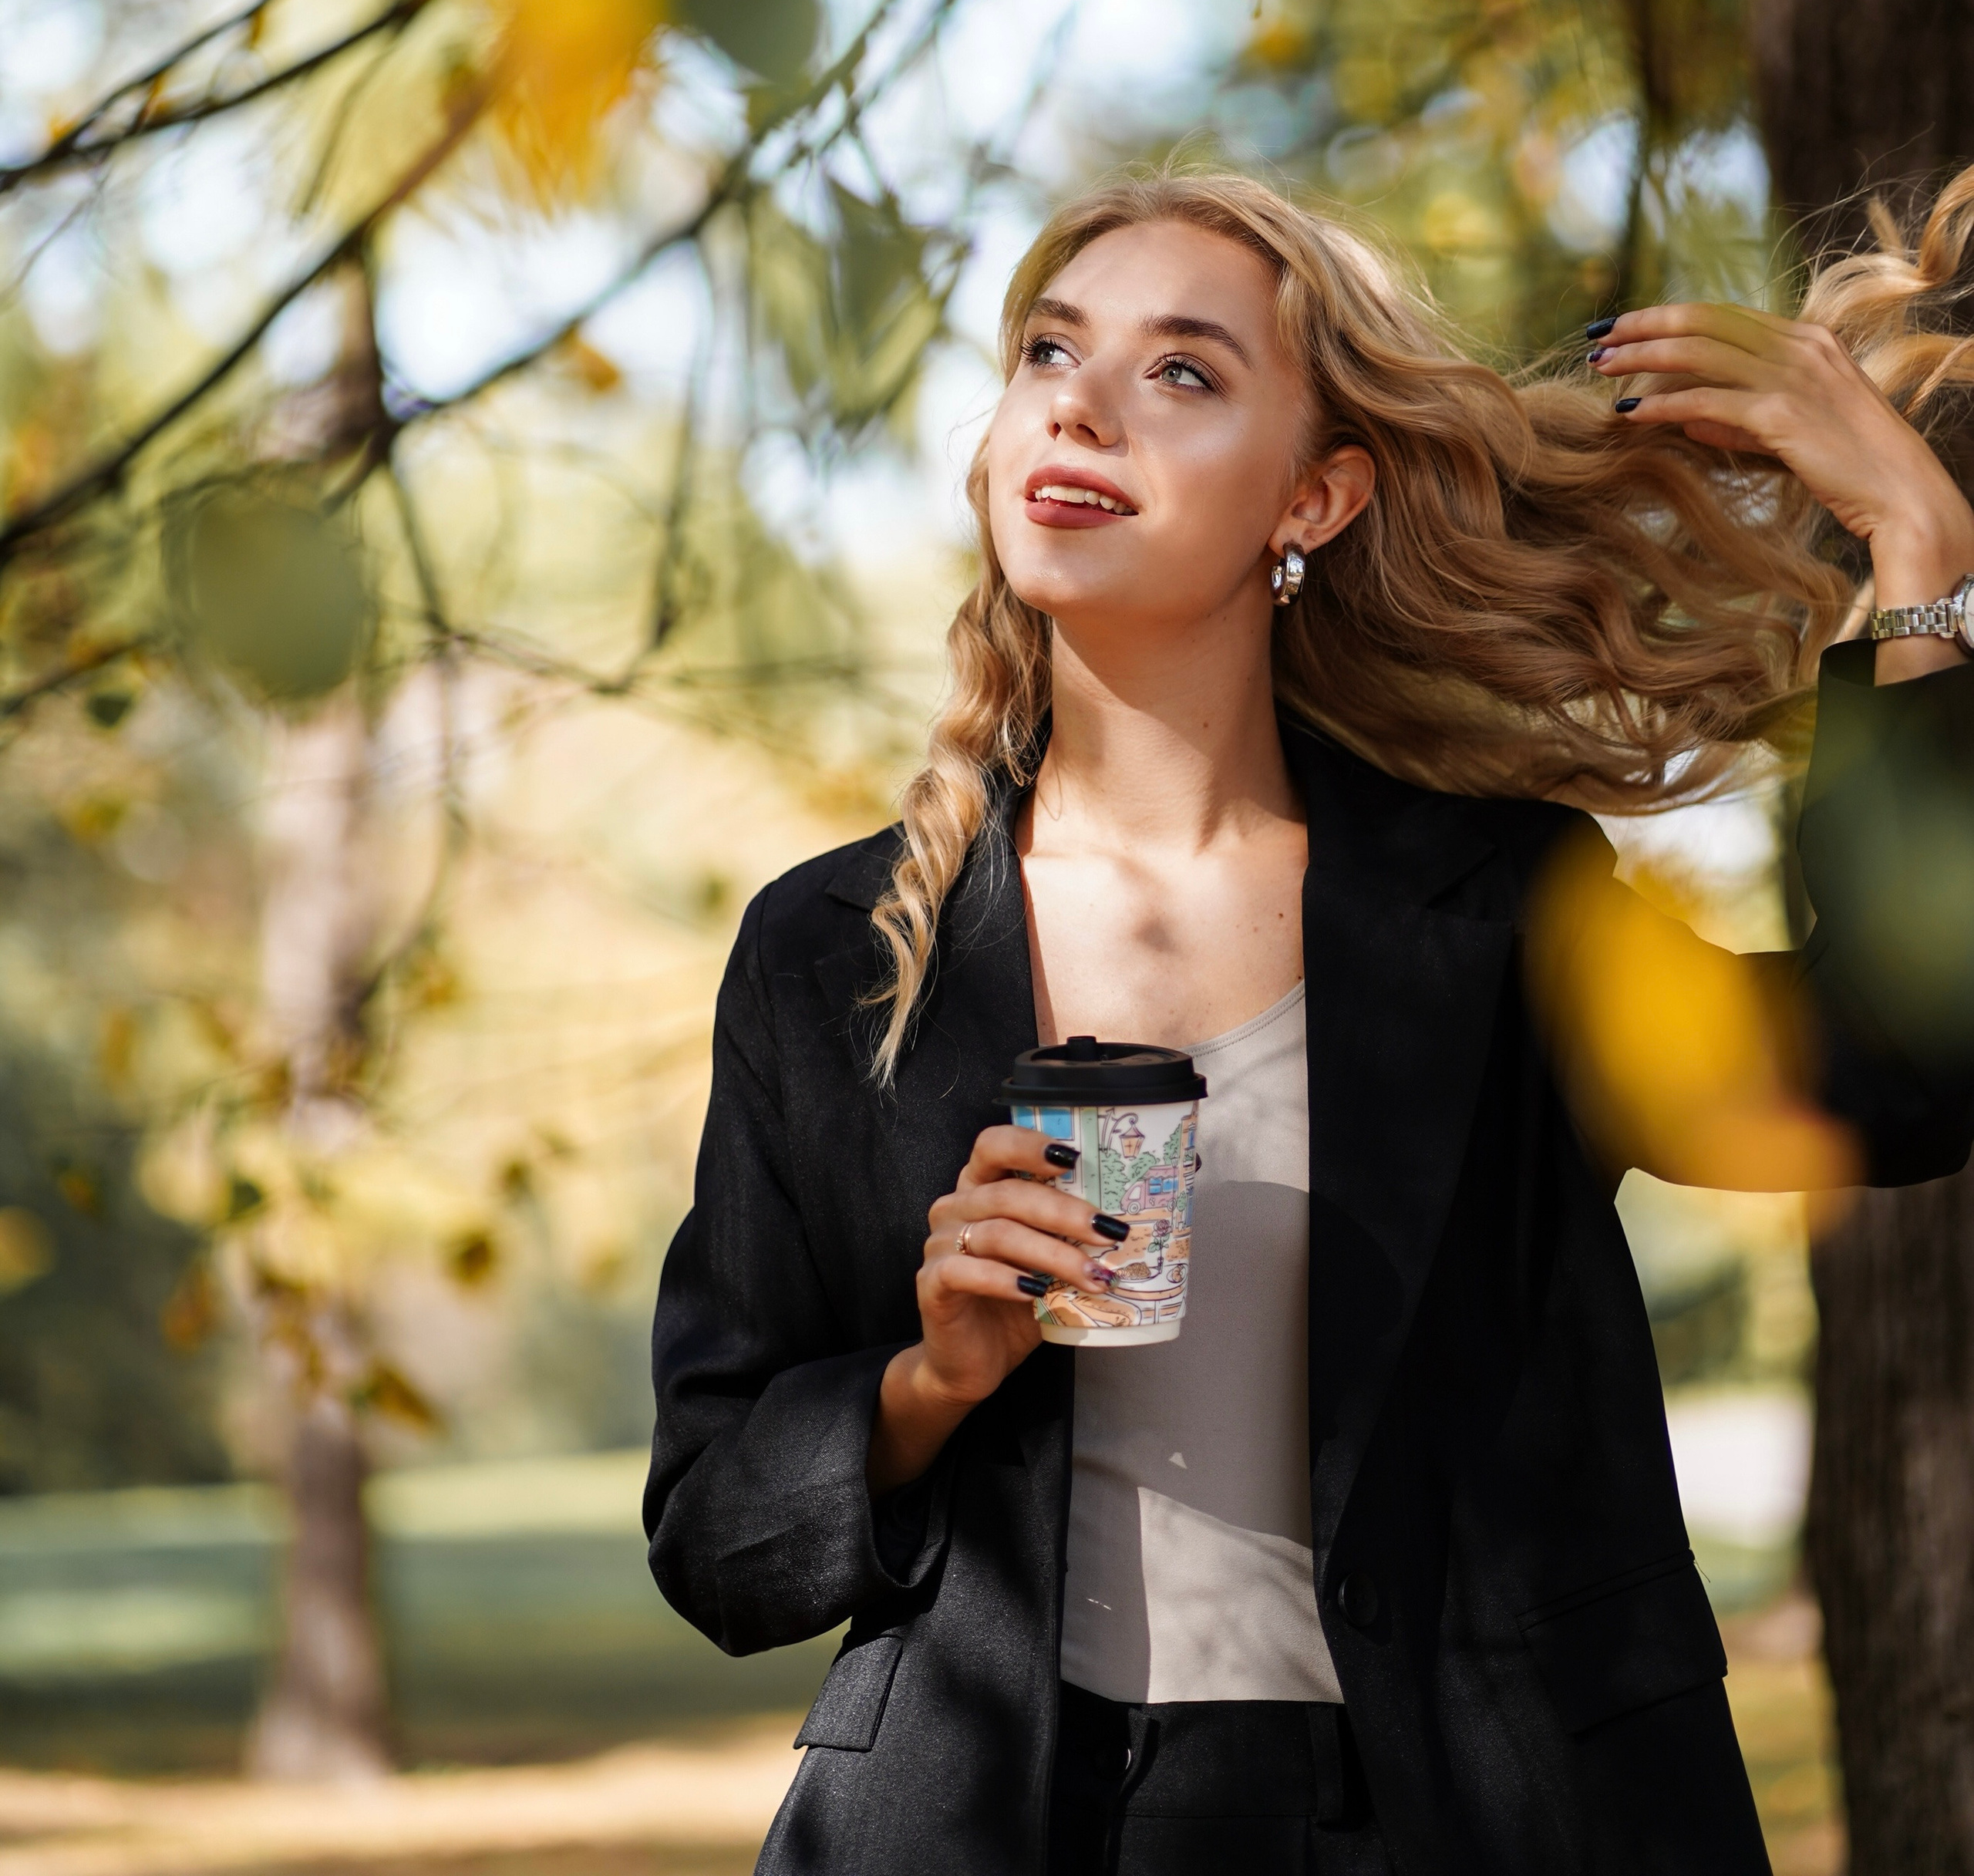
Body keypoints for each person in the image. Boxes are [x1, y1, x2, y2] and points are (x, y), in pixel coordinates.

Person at [644, 167, 1974, 1876]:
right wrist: (926, 1378)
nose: (1081, 400)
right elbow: (712, 1526)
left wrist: (1919, 555)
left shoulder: (1500, 907)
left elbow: (1895, 1077)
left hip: (1462, 1816)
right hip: (998, 1827)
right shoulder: (827, 954)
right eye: (1050, 349)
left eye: (1181, 371)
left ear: (1316, 497)